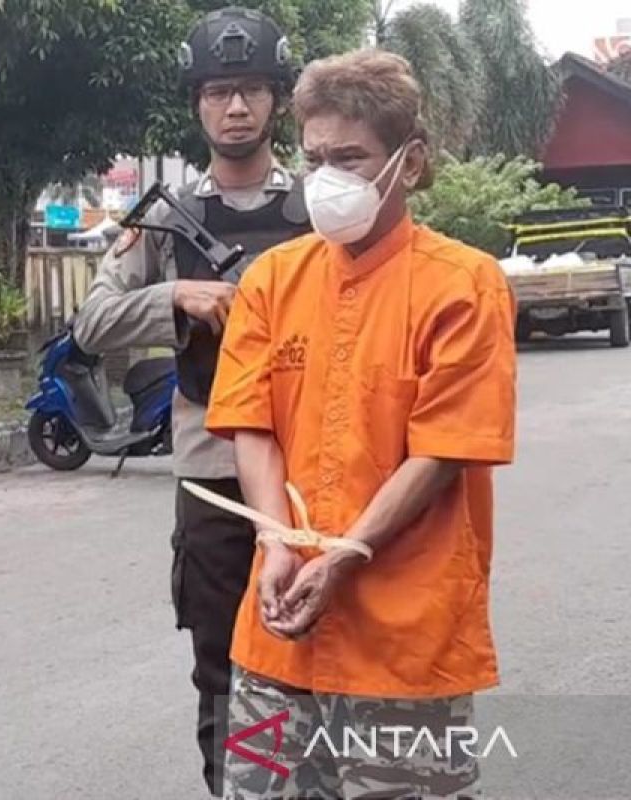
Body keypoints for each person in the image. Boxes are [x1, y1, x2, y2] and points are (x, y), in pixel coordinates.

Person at [206, 49, 517, 799]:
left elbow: (443, 450)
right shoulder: (272, 281)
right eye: (315, 158)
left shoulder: (463, 285)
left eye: (350, 157)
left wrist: (344, 556)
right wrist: (275, 539)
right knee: (259, 790)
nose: (327, 178)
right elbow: (252, 425)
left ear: (408, 164)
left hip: (404, 639)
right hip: (276, 638)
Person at [71, 7, 309, 796]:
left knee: (324, 650)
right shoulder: (166, 220)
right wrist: (178, 296)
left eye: (248, 90)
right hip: (213, 472)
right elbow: (92, 322)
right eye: (216, 92)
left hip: (321, 463)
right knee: (226, 662)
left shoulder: (321, 210)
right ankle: (242, 788)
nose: (234, 108)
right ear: (197, 104)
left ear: (276, 97)